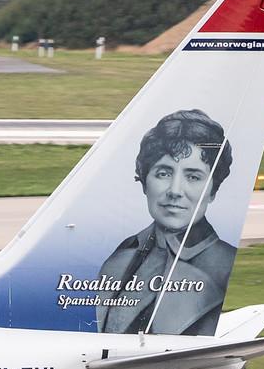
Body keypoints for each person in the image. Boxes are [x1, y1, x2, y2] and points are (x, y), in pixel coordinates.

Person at [95, 108, 238, 336]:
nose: (175, 191)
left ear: (213, 190)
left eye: (193, 177)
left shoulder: (222, 266)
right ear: (144, 182)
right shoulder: (124, 253)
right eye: (163, 173)